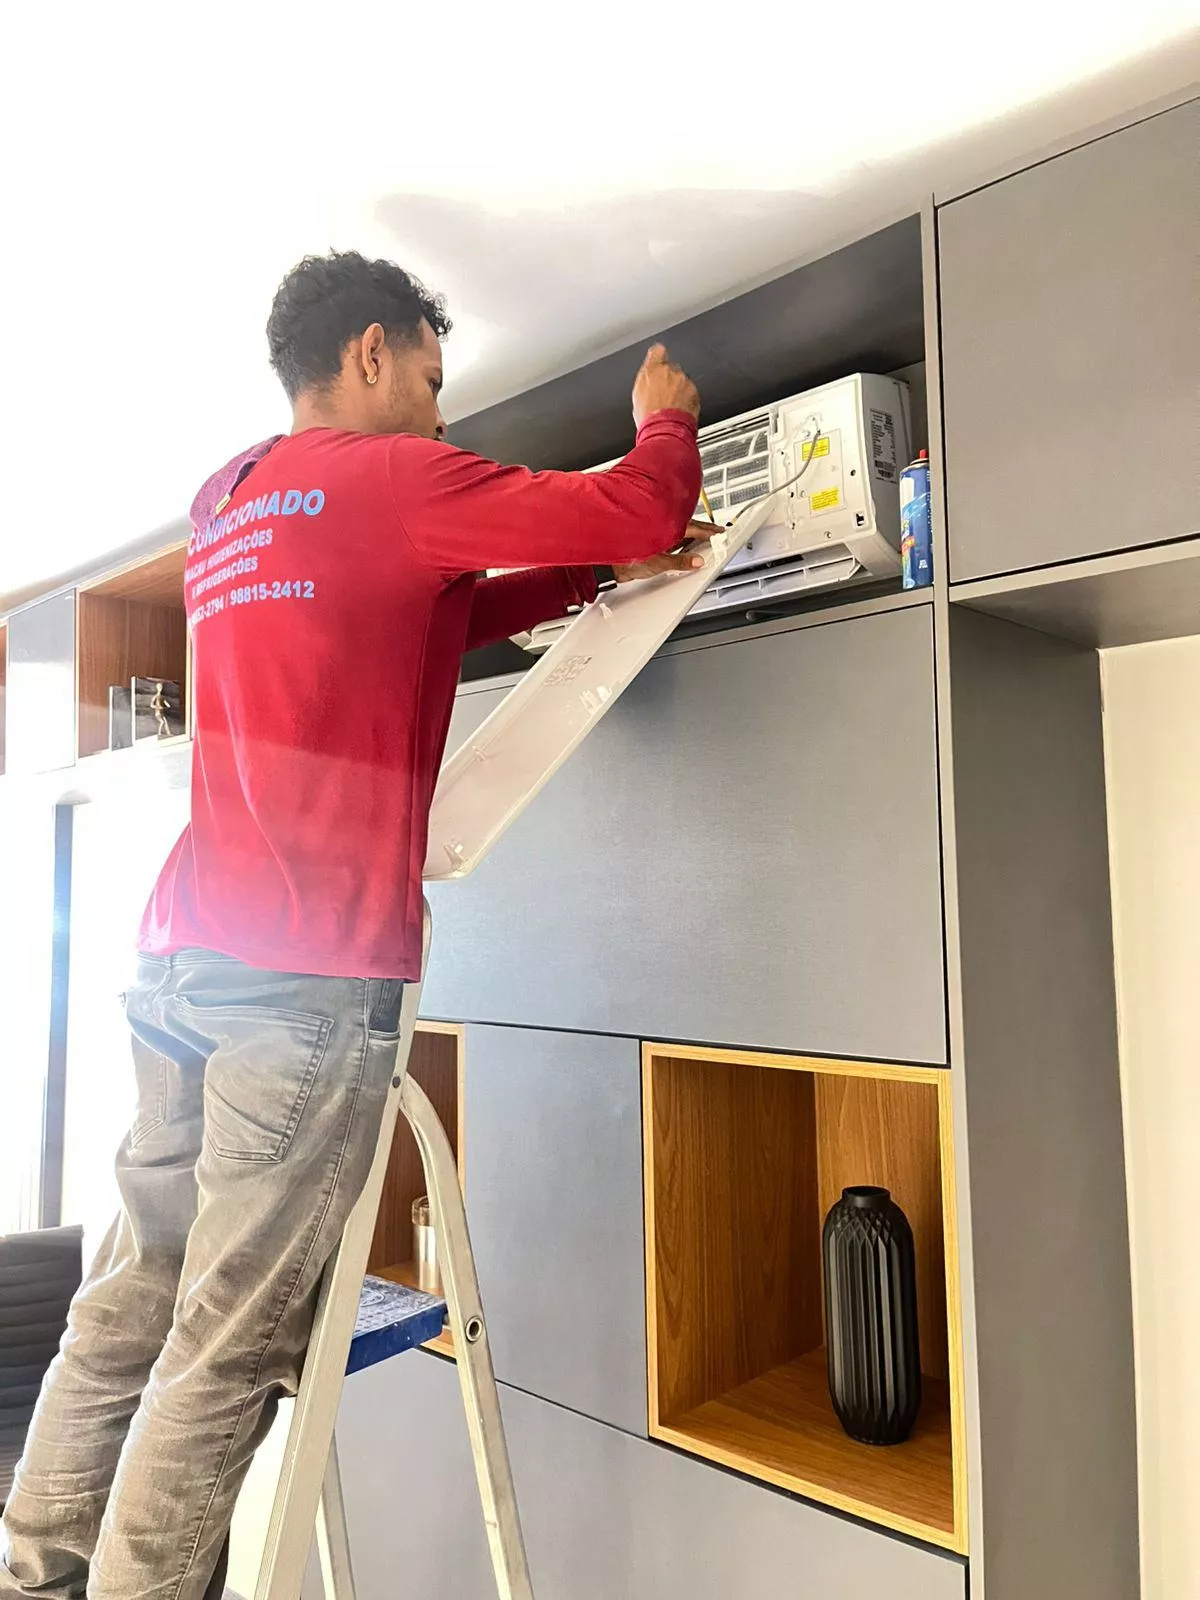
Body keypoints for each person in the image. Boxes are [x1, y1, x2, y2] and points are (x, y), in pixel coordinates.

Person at [0, 249, 710, 1600]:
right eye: (432, 380)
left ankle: (33, 1576)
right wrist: (662, 420)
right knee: (224, 1350)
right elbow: (643, 499)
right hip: (305, 971)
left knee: (129, 1304)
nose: (442, 413)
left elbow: (422, 612)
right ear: (371, 354)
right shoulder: (393, 478)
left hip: (182, 954)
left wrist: (579, 580)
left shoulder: (229, 498)